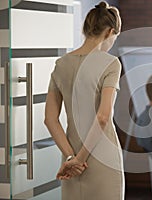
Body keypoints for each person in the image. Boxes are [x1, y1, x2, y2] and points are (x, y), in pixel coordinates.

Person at [44, 1, 124, 200]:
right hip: (102, 157)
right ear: (110, 32)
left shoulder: (61, 64)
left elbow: (50, 119)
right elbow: (103, 117)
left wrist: (72, 158)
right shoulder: (110, 63)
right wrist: (81, 160)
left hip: (70, 158)